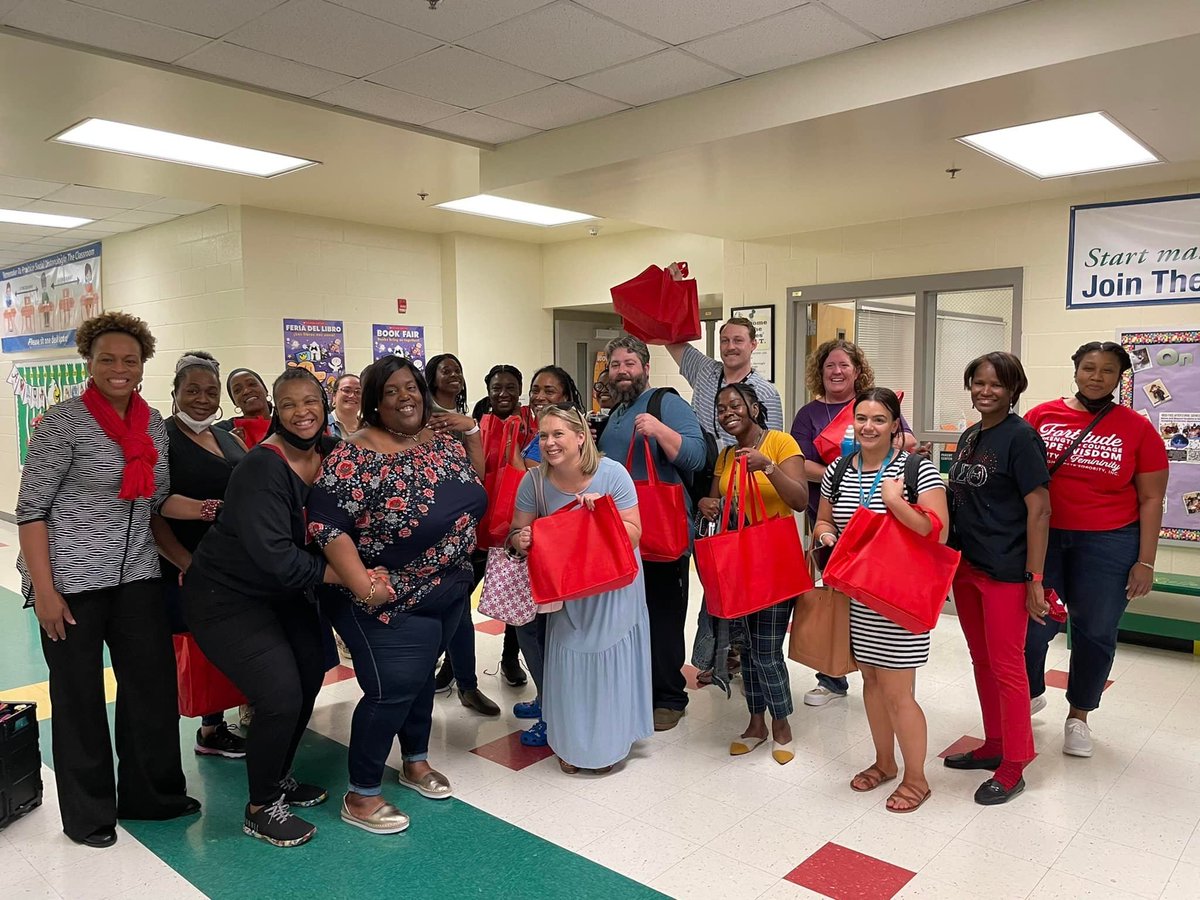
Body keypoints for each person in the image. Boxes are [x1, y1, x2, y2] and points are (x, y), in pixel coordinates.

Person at [16, 312, 201, 849]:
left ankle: (151, 796)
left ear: (142, 365)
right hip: (70, 580)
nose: (119, 369)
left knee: (150, 690)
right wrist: (45, 592)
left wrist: (201, 531)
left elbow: (156, 501)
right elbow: (31, 511)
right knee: (78, 700)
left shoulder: (152, 425)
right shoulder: (63, 423)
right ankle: (89, 815)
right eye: (107, 359)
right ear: (89, 364)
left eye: (129, 360)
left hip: (137, 576)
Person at [183, 368, 386, 848]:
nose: (302, 412)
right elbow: (274, 555)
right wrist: (350, 577)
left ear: (324, 403)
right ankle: (260, 806)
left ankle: (279, 777)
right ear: (277, 409)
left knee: (311, 671)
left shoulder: (331, 454)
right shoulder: (261, 467)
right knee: (278, 694)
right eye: (290, 403)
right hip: (226, 597)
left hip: (284, 594)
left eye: (310, 401)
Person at [309, 356, 488, 833]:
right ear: (373, 402)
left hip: (448, 588)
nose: (405, 396)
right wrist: (364, 584)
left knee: (420, 681)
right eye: (391, 391)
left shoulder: (442, 442)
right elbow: (326, 526)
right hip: (387, 597)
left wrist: (471, 431)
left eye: (411, 386)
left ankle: (415, 761)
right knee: (391, 689)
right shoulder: (355, 455)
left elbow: (476, 487)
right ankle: (362, 795)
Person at [1024, 341, 1168, 757]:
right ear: (1075, 370)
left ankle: (1079, 716)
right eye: (1089, 368)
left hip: (1109, 543)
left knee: (1095, 631)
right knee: (1033, 625)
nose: (1096, 377)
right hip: (1044, 539)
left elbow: (1151, 499)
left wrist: (1145, 561)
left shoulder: (1137, 428)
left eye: (1107, 371)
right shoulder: (1042, 416)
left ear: (1119, 378)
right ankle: (1033, 690)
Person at [813, 388, 947, 811]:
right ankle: (884, 763)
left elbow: (936, 530)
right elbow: (822, 518)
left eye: (879, 419)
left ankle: (917, 778)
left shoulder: (915, 470)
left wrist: (894, 502)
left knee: (898, 692)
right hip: (856, 595)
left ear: (894, 425)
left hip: (897, 599)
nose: (869, 427)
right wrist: (825, 535)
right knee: (870, 683)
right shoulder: (838, 469)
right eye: (862, 419)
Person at [508, 405, 652, 773]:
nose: (550, 442)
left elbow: (635, 532)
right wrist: (521, 539)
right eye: (544, 435)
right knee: (571, 665)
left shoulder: (612, 474)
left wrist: (603, 514)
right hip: (569, 590)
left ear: (580, 436)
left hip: (613, 589)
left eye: (558, 434)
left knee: (608, 662)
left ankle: (610, 745)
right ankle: (572, 745)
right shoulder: (534, 482)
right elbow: (513, 534)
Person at [944, 352, 1050, 806]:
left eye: (996, 385)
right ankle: (995, 744)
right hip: (967, 566)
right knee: (981, 660)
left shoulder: (1022, 438)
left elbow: (1040, 508)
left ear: (1013, 390)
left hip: (1007, 570)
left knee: (1008, 667)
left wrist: (1035, 577)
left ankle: (1016, 763)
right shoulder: (970, 436)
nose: (986, 391)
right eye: (978, 383)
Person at [789, 339, 916, 708]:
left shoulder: (873, 402)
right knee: (837, 596)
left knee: (876, 598)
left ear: (857, 370)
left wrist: (873, 453)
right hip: (832, 516)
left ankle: (882, 673)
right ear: (820, 371)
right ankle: (832, 676)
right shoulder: (808, 414)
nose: (837, 371)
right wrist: (839, 470)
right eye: (830, 365)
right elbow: (799, 461)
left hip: (881, 518)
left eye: (844, 365)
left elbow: (906, 438)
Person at [599, 335, 707, 732]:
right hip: (620, 533)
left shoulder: (665, 402)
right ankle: (637, 687)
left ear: (645, 368)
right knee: (627, 615)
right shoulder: (615, 412)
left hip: (660, 531)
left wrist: (660, 430)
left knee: (663, 615)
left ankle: (669, 696)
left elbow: (696, 456)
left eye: (630, 363)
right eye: (615, 365)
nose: (622, 371)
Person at [697, 384, 807, 764]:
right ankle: (755, 723)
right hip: (739, 565)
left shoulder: (780, 442)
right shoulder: (726, 456)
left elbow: (800, 500)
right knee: (746, 649)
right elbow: (716, 500)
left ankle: (782, 725)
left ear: (755, 408)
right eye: (721, 407)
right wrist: (707, 503)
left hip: (775, 564)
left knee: (766, 650)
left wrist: (769, 467)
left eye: (736, 404)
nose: (728, 411)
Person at [150, 351, 248, 760]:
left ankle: (216, 726)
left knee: (226, 644)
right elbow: (152, 510)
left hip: (232, 564)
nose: (202, 399)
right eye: (192, 390)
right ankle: (196, 732)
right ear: (174, 393)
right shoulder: (162, 438)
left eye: (210, 391)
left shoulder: (227, 436)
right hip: (183, 563)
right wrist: (187, 564)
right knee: (191, 647)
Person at [430, 359, 520, 709]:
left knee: (516, 596)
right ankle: (454, 672)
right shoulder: (469, 419)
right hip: (468, 525)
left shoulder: (519, 421)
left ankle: (508, 660)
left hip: (512, 523)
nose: (503, 393)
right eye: (497, 386)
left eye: (511, 386)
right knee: (457, 601)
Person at [216, 367, 273, 448]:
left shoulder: (284, 425)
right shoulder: (222, 432)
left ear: (265, 390)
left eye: (252, 384)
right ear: (235, 402)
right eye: (237, 390)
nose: (246, 391)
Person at [328, 373, 362, 439]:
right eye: (346, 390)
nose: (352, 395)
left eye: (358, 392)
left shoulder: (370, 428)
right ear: (334, 396)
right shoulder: (321, 426)